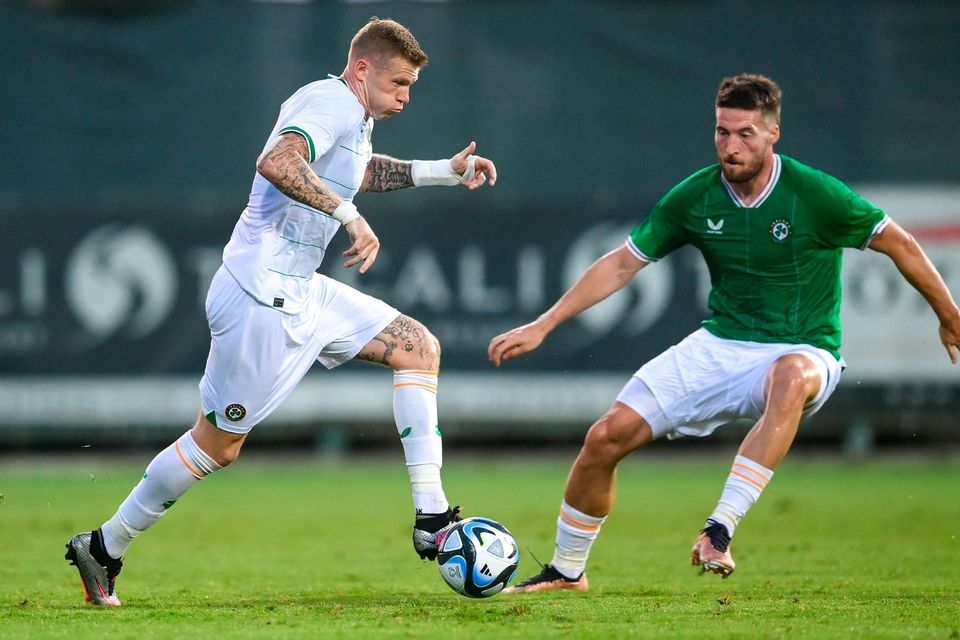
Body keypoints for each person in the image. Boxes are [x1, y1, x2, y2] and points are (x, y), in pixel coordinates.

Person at [65, 17, 497, 606]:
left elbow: (356, 171)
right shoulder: (329, 100)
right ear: (362, 68)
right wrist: (348, 217)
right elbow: (277, 161)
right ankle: (104, 546)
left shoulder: (354, 115)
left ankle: (431, 517)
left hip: (301, 288)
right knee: (216, 446)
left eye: (412, 86)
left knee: (417, 345)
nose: (405, 96)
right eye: (398, 83)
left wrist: (441, 173)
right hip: (258, 297)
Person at [488, 74, 960, 593]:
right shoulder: (695, 196)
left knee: (789, 376)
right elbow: (623, 264)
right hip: (720, 344)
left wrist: (949, 315)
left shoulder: (815, 193)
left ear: (773, 133)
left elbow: (901, 243)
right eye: (721, 132)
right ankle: (566, 571)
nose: (731, 147)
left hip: (804, 347)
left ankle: (720, 528)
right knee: (604, 438)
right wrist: (544, 323)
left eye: (746, 134)